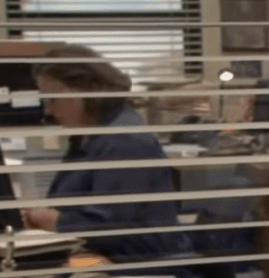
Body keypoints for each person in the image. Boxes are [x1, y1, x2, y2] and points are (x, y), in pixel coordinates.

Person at [21, 45, 193, 265]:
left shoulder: (124, 141)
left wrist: (56, 221)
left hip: (141, 267)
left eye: (53, 99)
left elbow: (111, 228)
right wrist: (44, 217)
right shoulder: (90, 133)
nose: (48, 111)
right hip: (104, 257)